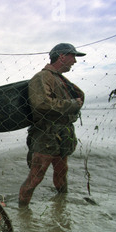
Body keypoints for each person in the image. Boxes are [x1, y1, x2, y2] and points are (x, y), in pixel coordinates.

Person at [18, 43, 86, 208]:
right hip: (46, 134)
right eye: (73, 56)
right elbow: (41, 104)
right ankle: (22, 213)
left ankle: (61, 207)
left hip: (63, 132)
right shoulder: (41, 77)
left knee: (62, 172)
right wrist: (72, 104)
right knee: (36, 176)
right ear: (62, 56)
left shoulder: (59, 78)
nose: (75, 61)